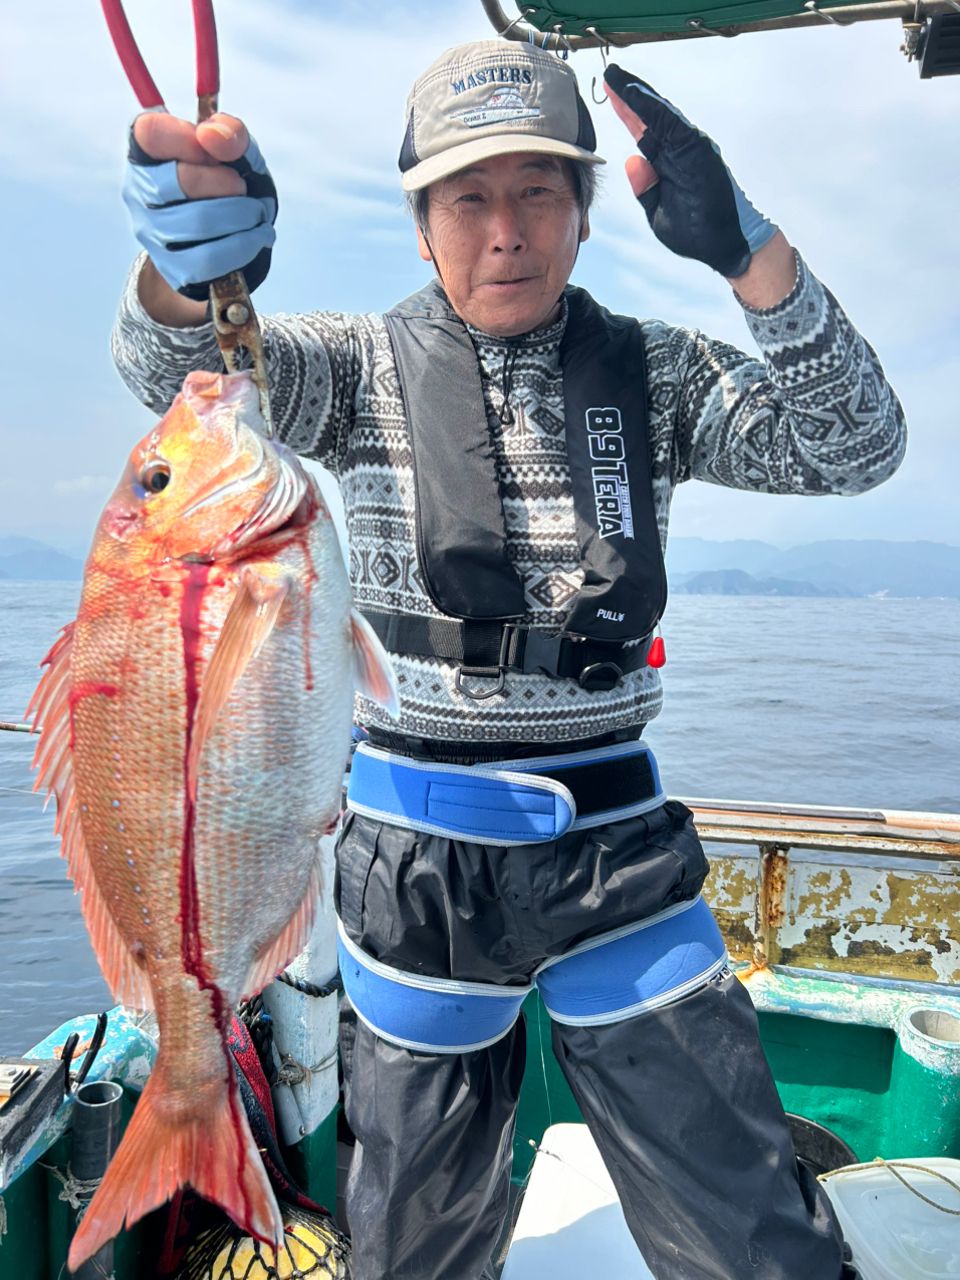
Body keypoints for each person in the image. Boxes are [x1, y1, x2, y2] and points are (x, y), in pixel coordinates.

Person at [112, 38, 903, 1280]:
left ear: (585, 212)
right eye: (468, 197)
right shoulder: (353, 371)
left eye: (539, 190)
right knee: (414, 1249)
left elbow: (857, 446)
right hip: (412, 874)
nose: (505, 231)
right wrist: (182, 274)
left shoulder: (660, 371)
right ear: (423, 224)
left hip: (621, 861)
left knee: (759, 1238)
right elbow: (178, 380)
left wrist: (753, 254)